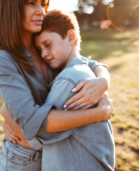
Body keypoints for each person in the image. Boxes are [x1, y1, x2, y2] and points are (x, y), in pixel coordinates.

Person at [0, 0, 113, 171]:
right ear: (13, 7)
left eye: (43, 4)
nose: (41, 11)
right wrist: (97, 114)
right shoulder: (4, 61)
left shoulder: (46, 49)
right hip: (23, 159)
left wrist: (103, 80)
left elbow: (88, 62)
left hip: (57, 155)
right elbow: (31, 121)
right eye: (32, 3)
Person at [30, 9, 114, 170]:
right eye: (39, 49)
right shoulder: (84, 70)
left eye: (47, 45)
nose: (43, 54)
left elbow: (40, 130)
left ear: (71, 37)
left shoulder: (69, 79)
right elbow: (90, 61)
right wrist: (104, 78)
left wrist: (6, 112)